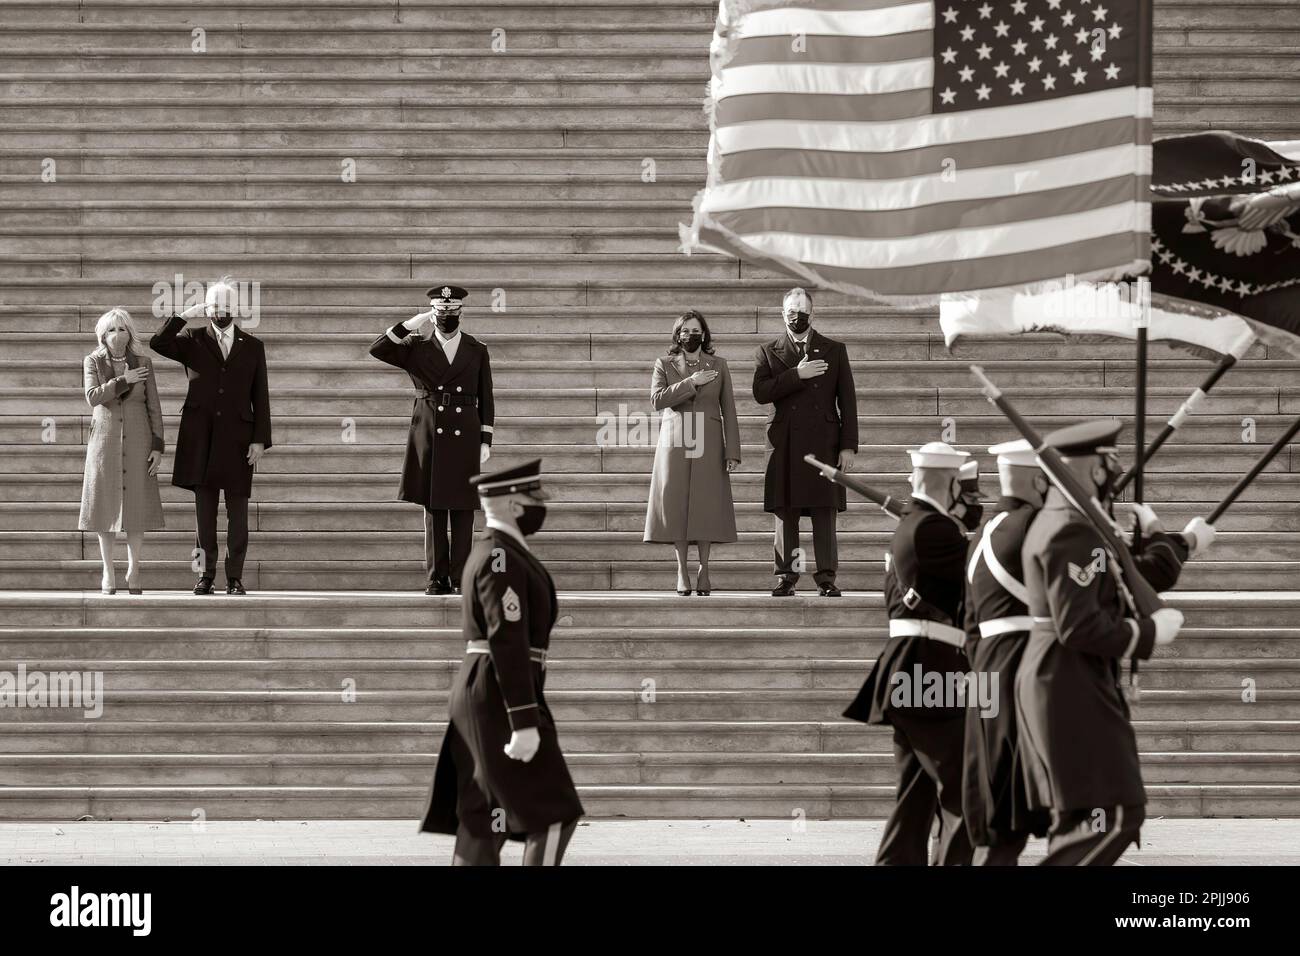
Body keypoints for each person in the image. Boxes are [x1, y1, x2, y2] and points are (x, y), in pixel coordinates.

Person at [1015, 420, 1215, 866]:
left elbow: (1121, 585)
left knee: (1086, 818)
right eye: (1111, 464)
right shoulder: (1073, 530)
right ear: (1098, 470)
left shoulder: (1070, 521)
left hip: (1064, 679)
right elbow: (1078, 625)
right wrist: (1147, 634)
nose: (1117, 473)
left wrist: (1164, 538)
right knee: (1115, 812)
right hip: (1068, 683)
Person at [419, 459, 584, 865]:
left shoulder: (497, 552)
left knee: (485, 818)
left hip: (487, 690)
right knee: (553, 813)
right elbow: (506, 639)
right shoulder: (501, 558)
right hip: (497, 692)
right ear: (512, 503)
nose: (539, 507)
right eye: (533, 499)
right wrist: (524, 721)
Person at [843, 441, 977, 865]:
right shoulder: (933, 529)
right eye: (964, 489)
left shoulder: (917, 524)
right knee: (968, 794)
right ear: (952, 484)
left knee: (916, 799)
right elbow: (981, 575)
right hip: (927, 671)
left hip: (917, 670)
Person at [370, 284, 495, 595]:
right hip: (429, 430)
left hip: (465, 431)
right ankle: (436, 577)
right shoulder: (416, 347)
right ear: (433, 313)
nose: (446, 317)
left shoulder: (476, 349)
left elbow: (486, 397)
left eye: (451, 312)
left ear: (461, 314)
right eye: (440, 312)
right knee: (434, 508)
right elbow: (378, 348)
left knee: (464, 510)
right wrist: (412, 323)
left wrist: (485, 440)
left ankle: (461, 577)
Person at [150, 277, 271, 595]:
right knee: (203, 518)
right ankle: (205, 575)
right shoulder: (192, 338)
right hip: (200, 439)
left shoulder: (253, 346)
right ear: (208, 309)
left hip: (238, 441)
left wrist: (260, 439)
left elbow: (261, 396)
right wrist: (184, 315)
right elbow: (158, 343)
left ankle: (235, 577)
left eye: (227, 306)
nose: (221, 311)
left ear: (237, 309)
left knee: (239, 516)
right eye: (216, 306)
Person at [753, 287, 858, 597]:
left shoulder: (834, 349)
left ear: (813, 314)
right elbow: (761, 393)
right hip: (784, 442)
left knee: (824, 511)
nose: (797, 317)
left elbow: (847, 400)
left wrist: (848, 445)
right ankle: (787, 576)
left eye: (802, 311)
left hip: (824, 440)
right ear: (782, 314)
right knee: (787, 511)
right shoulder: (768, 350)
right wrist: (797, 375)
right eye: (791, 311)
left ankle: (826, 578)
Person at [643, 310, 741, 595]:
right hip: (674, 441)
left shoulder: (720, 365)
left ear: (704, 334)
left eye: (696, 331)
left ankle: (705, 567)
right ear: (677, 335)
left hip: (708, 440)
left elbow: (729, 410)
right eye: (685, 331)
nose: (690, 335)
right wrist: (691, 382)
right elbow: (657, 400)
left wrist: (732, 451)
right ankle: (681, 569)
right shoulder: (663, 364)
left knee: (707, 504)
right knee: (677, 505)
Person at [79, 308, 166, 594]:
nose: (118, 335)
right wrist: (123, 380)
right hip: (104, 442)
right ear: (102, 335)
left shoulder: (144, 363)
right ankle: (108, 571)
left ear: (130, 334)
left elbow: (153, 405)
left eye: (123, 329)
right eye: (112, 330)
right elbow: (93, 397)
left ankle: (134, 569)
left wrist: (158, 445)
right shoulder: (92, 361)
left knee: (136, 508)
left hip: (139, 439)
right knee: (105, 507)